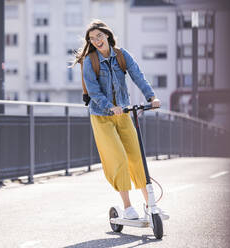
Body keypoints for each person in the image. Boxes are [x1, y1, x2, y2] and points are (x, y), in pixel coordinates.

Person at [73, 19, 167, 220]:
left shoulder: (122, 56)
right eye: (92, 38)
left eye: (99, 36)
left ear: (107, 35)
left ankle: (151, 205)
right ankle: (127, 207)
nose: (96, 40)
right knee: (119, 160)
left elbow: (138, 76)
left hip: (123, 114)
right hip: (101, 117)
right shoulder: (90, 61)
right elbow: (93, 90)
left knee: (137, 158)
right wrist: (110, 106)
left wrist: (152, 97)